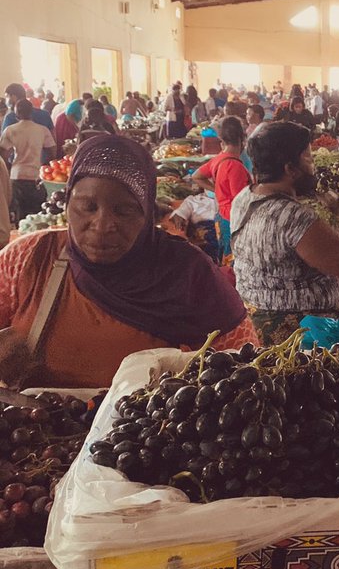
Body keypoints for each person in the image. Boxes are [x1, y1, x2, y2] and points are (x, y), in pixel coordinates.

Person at [0, 135, 255, 387]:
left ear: (147, 214)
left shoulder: (189, 275)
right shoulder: (27, 258)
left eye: (124, 211)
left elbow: (246, 373)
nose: (102, 226)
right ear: (67, 203)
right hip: (37, 425)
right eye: (87, 207)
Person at [231, 122, 339, 345]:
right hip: (302, 338)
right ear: (290, 169)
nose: (314, 166)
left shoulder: (243, 198)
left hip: (257, 323)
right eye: (308, 158)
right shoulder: (292, 218)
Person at [193, 116, 252, 262]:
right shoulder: (235, 166)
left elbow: (196, 176)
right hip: (232, 221)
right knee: (233, 261)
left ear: (222, 141)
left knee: (224, 256)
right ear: (241, 139)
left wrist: (217, 189)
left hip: (221, 216)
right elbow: (241, 201)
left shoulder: (219, 159)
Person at [0, 100, 56, 222]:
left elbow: (3, 155)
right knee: (38, 215)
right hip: (36, 176)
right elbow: (52, 151)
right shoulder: (42, 130)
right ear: (32, 112)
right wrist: (44, 165)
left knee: (19, 216)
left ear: (16, 114)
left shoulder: (10, 130)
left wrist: (10, 167)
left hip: (17, 175)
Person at [168, 189, 219, 262]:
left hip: (223, 231)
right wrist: (179, 216)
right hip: (205, 234)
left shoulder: (231, 198)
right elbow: (180, 213)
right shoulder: (192, 200)